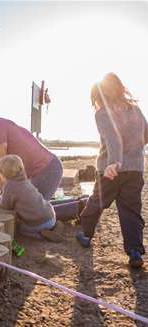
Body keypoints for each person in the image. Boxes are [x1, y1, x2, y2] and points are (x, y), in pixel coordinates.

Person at [76, 73, 147, 268]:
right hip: (135, 168)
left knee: (97, 202)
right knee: (131, 210)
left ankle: (86, 235)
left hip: (111, 168)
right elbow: (146, 135)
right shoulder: (136, 109)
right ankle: (134, 252)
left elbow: (114, 138)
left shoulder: (102, 113)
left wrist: (114, 162)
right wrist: (134, 150)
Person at [0, 154, 61, 239]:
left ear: (1, 173)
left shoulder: (9, 186)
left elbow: (5, 205)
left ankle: (41, 235)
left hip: (40, 223)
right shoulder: (25, 180)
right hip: (51, 217)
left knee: (20, 228)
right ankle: (52, 228)